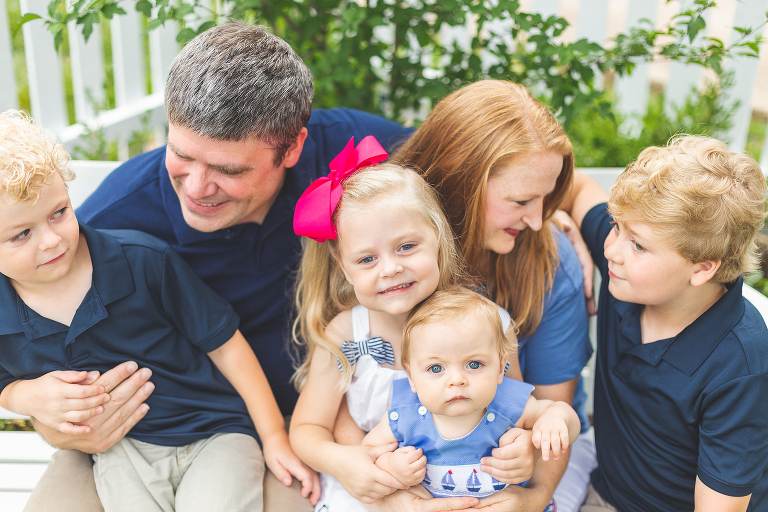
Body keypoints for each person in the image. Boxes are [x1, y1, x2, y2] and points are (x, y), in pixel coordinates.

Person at [20, 23, 412, 512]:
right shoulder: (110, 227)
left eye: (229, 170)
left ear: (290, 149)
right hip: (141, 436)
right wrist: (47, 415)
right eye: (181, 155)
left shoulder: (358, 155)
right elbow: (31, 337)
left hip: (308, 435)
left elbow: (474, 191)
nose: (198, 187)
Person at [0, 109, 319, 511]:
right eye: (22, 234)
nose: (50, 240)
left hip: (214, 430)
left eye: (59, 213)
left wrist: (272, 434)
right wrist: (23, 395)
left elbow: (227, 345)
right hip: (123, 449)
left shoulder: (141, 260)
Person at [351, 79, 591, 512]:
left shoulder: (551, 265)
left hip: (528, 464)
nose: (538, 220)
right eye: (521, 200)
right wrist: (397, 499)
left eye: (547, 198)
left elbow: (554, 417)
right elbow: (353, 417)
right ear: (462, 179)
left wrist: (532, 496)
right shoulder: (392, 255)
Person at [289, 149, 533, 511]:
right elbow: (307, 429)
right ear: (343, 266)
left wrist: (523, 448)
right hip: (371, 493)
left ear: (438, 238)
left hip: (470, 489)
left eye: (406, 247)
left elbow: (517, 410)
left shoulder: (488, 324)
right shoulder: (347, 336)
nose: (389, 269)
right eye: (367, 259)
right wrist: (346, 462)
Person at [564, 135, 768, 512]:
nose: (611, 250)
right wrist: (559, 218)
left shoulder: (739, 364)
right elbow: (573, 185)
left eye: (638, 245)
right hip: (606, 493)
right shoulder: (628, 275)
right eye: (614, 226)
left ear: (703, 267)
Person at [362, 289, 580, 501]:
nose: (457, 380)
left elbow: (564, 418)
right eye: (436, 368)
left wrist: (555, 420)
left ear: (501, 366)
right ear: (411, 376)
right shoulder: (404, 415)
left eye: (474, 364)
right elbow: (368, 452)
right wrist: (390, 465)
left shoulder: (509, 404)